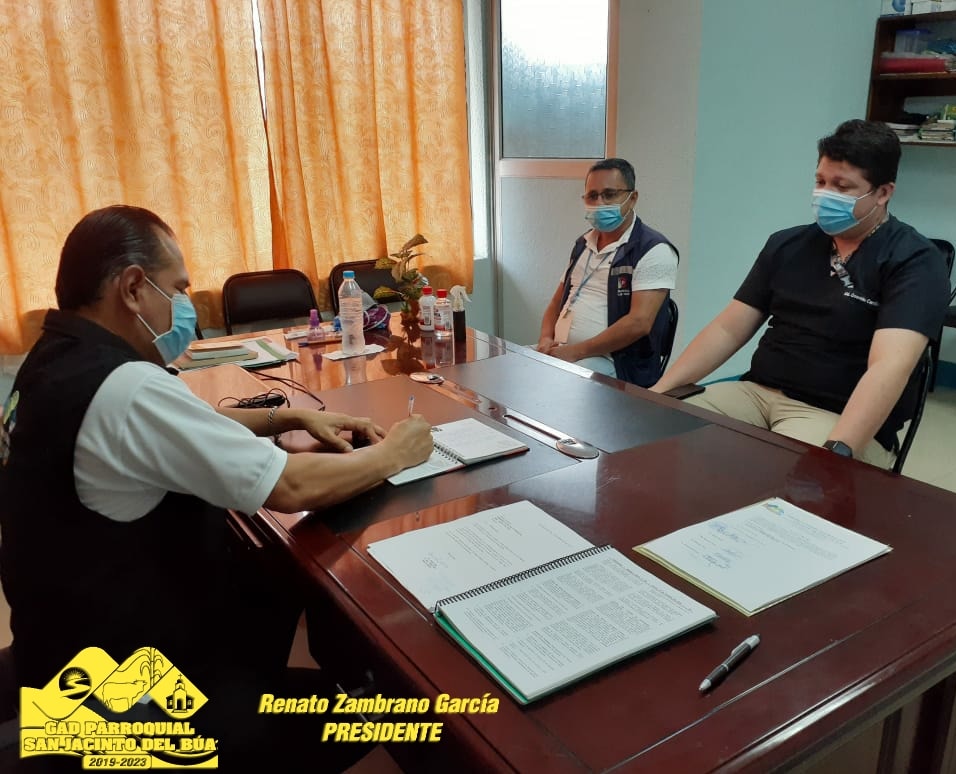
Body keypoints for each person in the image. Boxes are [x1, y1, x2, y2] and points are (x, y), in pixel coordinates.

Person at [0, 205, 433, 772]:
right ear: (133, 287)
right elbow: (291, 487)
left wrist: (287, 417)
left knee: (272, 575)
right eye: (178, 288)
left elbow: (175, 425)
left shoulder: (55, 360)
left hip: (68, 658)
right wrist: (395, 453)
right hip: (134, 701)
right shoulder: (124, 386)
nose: (185, 304)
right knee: (381, 706)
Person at [651, 120, 949, 467]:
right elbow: (728, 329)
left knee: (778, 479)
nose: (825, 195)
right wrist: (657, 393)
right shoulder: (788, 244)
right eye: (820, 182)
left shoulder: (914, 260)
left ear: (883, 193)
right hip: (754, 394)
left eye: (842, 186)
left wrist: (838, 450)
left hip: (832, 414)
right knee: (656, 433)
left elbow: (889, 366)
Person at [536, 158, 678, 388]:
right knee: (512, 366)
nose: (599, 203)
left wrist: (575, 352)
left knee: (554, 386)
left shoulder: (654, 250)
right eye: (592, 196)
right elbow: (555, 302)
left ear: (633, 198)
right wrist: (545, 338)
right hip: (564, 352)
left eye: (609, 195)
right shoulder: (583, 244)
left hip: (617, 363)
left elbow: (639, 323)